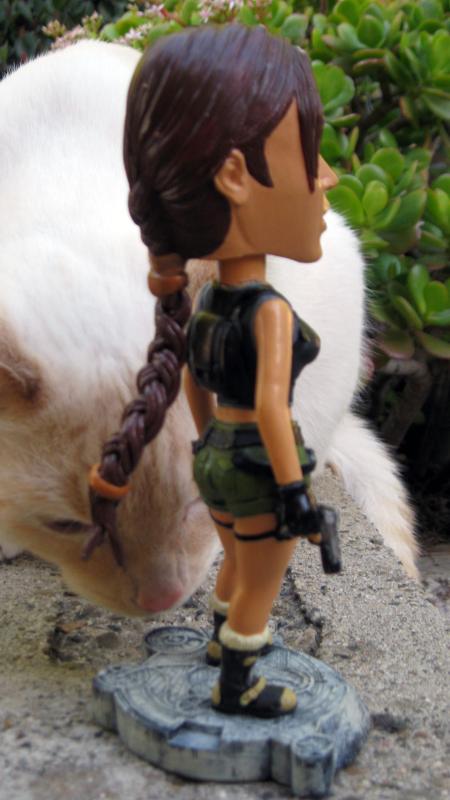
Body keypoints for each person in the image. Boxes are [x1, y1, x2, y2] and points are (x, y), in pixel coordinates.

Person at [86, 23, 338, 717]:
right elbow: (271, 409)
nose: (327, 176)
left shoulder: (203, 304)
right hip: (256, 465)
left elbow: (196, 384)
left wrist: (207, 447)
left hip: (217, 461)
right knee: (263, 576)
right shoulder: (268, 311)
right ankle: (239, 682)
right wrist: (294, 492)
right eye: (308, 152)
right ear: (233, 176)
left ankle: (221, 642)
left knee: (234, 558)